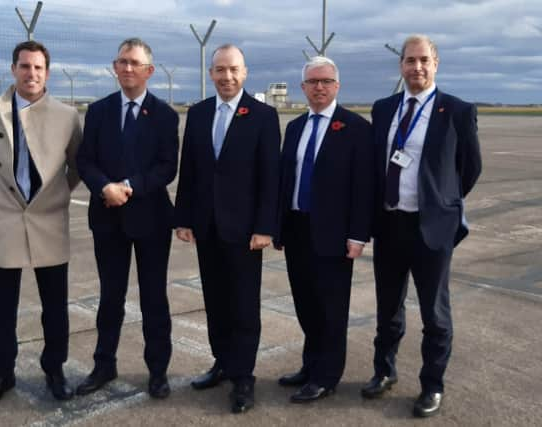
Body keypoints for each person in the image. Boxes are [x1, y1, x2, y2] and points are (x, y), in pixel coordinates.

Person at [361, 34, 482, 417]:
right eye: (410, 60)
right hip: (390, 224)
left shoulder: (457, 111)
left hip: (432, 229)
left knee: (435, 312)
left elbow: (469, 168)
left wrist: (441, 202)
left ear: (436, 63)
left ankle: (432, 385)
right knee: (388, 308)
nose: (417, 67)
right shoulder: (383, 109)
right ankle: (385, 371)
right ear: (401, 65)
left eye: (424, 60)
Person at [0, 40, 82, 406]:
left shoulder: (67, 116)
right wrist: (0, 201)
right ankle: (3, 372)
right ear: (13, 69)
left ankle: (54, 370)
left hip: (49, 221)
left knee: (55, 306)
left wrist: (57, 195)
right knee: (2, 307)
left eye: (38, 67)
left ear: (47, 72)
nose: (31, 73)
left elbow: (77, 165)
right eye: (24, 66)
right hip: (4, 222)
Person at [174, 44, 280, 413]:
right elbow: (189, 170)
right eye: (220, 70)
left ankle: (244, 377)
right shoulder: (200, 113)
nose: (227, 77)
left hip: (245, 230)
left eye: (233, 70)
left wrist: (266, 226)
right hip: (206, 226)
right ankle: (222, 362)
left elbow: (271, 176)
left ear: (245, 72)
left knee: (244, 305)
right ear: (211, 74)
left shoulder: (264, 116)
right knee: (215, 301)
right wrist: (183, 218)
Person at [75, 38, 178, 399]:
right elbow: (84, 159)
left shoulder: (165, 115)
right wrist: (105, 187)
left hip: (151, 218)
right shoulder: (99, 110)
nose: (128, 68)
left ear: (149, 70)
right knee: (110, 297)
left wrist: (130, 186)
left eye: (135, 62)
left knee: (154, 298)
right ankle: (104, 364)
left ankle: (158, 371)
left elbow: (168, 166)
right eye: (122, 61)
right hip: (107, 217)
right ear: (114, 68)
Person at [274, 56, 374, 403]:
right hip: (298, 229)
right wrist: (279, 228)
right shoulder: (296, 128)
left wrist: (358, 234)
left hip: (334, 234)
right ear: (303, 88)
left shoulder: (356, 128)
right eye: (313, 82)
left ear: (337, 86)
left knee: (330, 308)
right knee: (305, 304)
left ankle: (327, 376)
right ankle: (310, 365)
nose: (319, 87)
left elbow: (364, 187)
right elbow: (286, 180)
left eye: (326, 81)